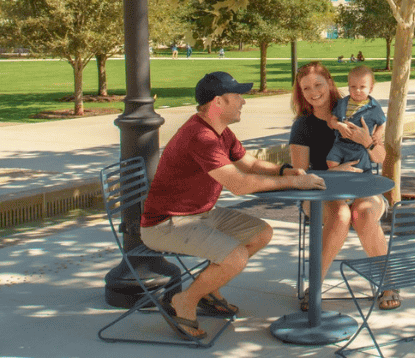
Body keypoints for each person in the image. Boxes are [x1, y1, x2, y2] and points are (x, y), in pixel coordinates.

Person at [140, 71, 324, 342]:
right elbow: (240, 184)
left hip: (200, 214)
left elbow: (248, 164)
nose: (243, 101)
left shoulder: (220, 132)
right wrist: (297, 184)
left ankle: (209, 291)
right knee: (235, 256)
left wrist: (285, 171)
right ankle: (185, 301)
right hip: (167, 223)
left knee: (261, 232)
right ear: (218, 102)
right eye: (237, 96)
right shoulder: (200, 136)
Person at [288, 61, 400, 311]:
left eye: (318, 84)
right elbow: (299, 174)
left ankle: (388, 282)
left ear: (329, 83)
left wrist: (368, 142)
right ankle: (315, 286)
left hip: (363, 189)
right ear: (301, 93)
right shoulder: (303, 125)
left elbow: (381, 159)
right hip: (319, 192)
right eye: (306, 88)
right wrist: (334, 172)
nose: (314, 92)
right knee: (340, 215)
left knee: (363, 213)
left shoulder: (361, 111)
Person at [327, 65, 385, 172]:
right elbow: (332, 120)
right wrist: (339, 125)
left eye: (362, 87)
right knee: (331, 162)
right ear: (348, 87)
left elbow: (381, 123)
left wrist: (377, 134)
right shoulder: (342, 103)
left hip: (360, 146)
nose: (357, 90)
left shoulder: (374, 107)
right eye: (353, 87)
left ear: (371, 88)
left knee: (359, 168)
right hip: (341, 143)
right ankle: (337, 175)